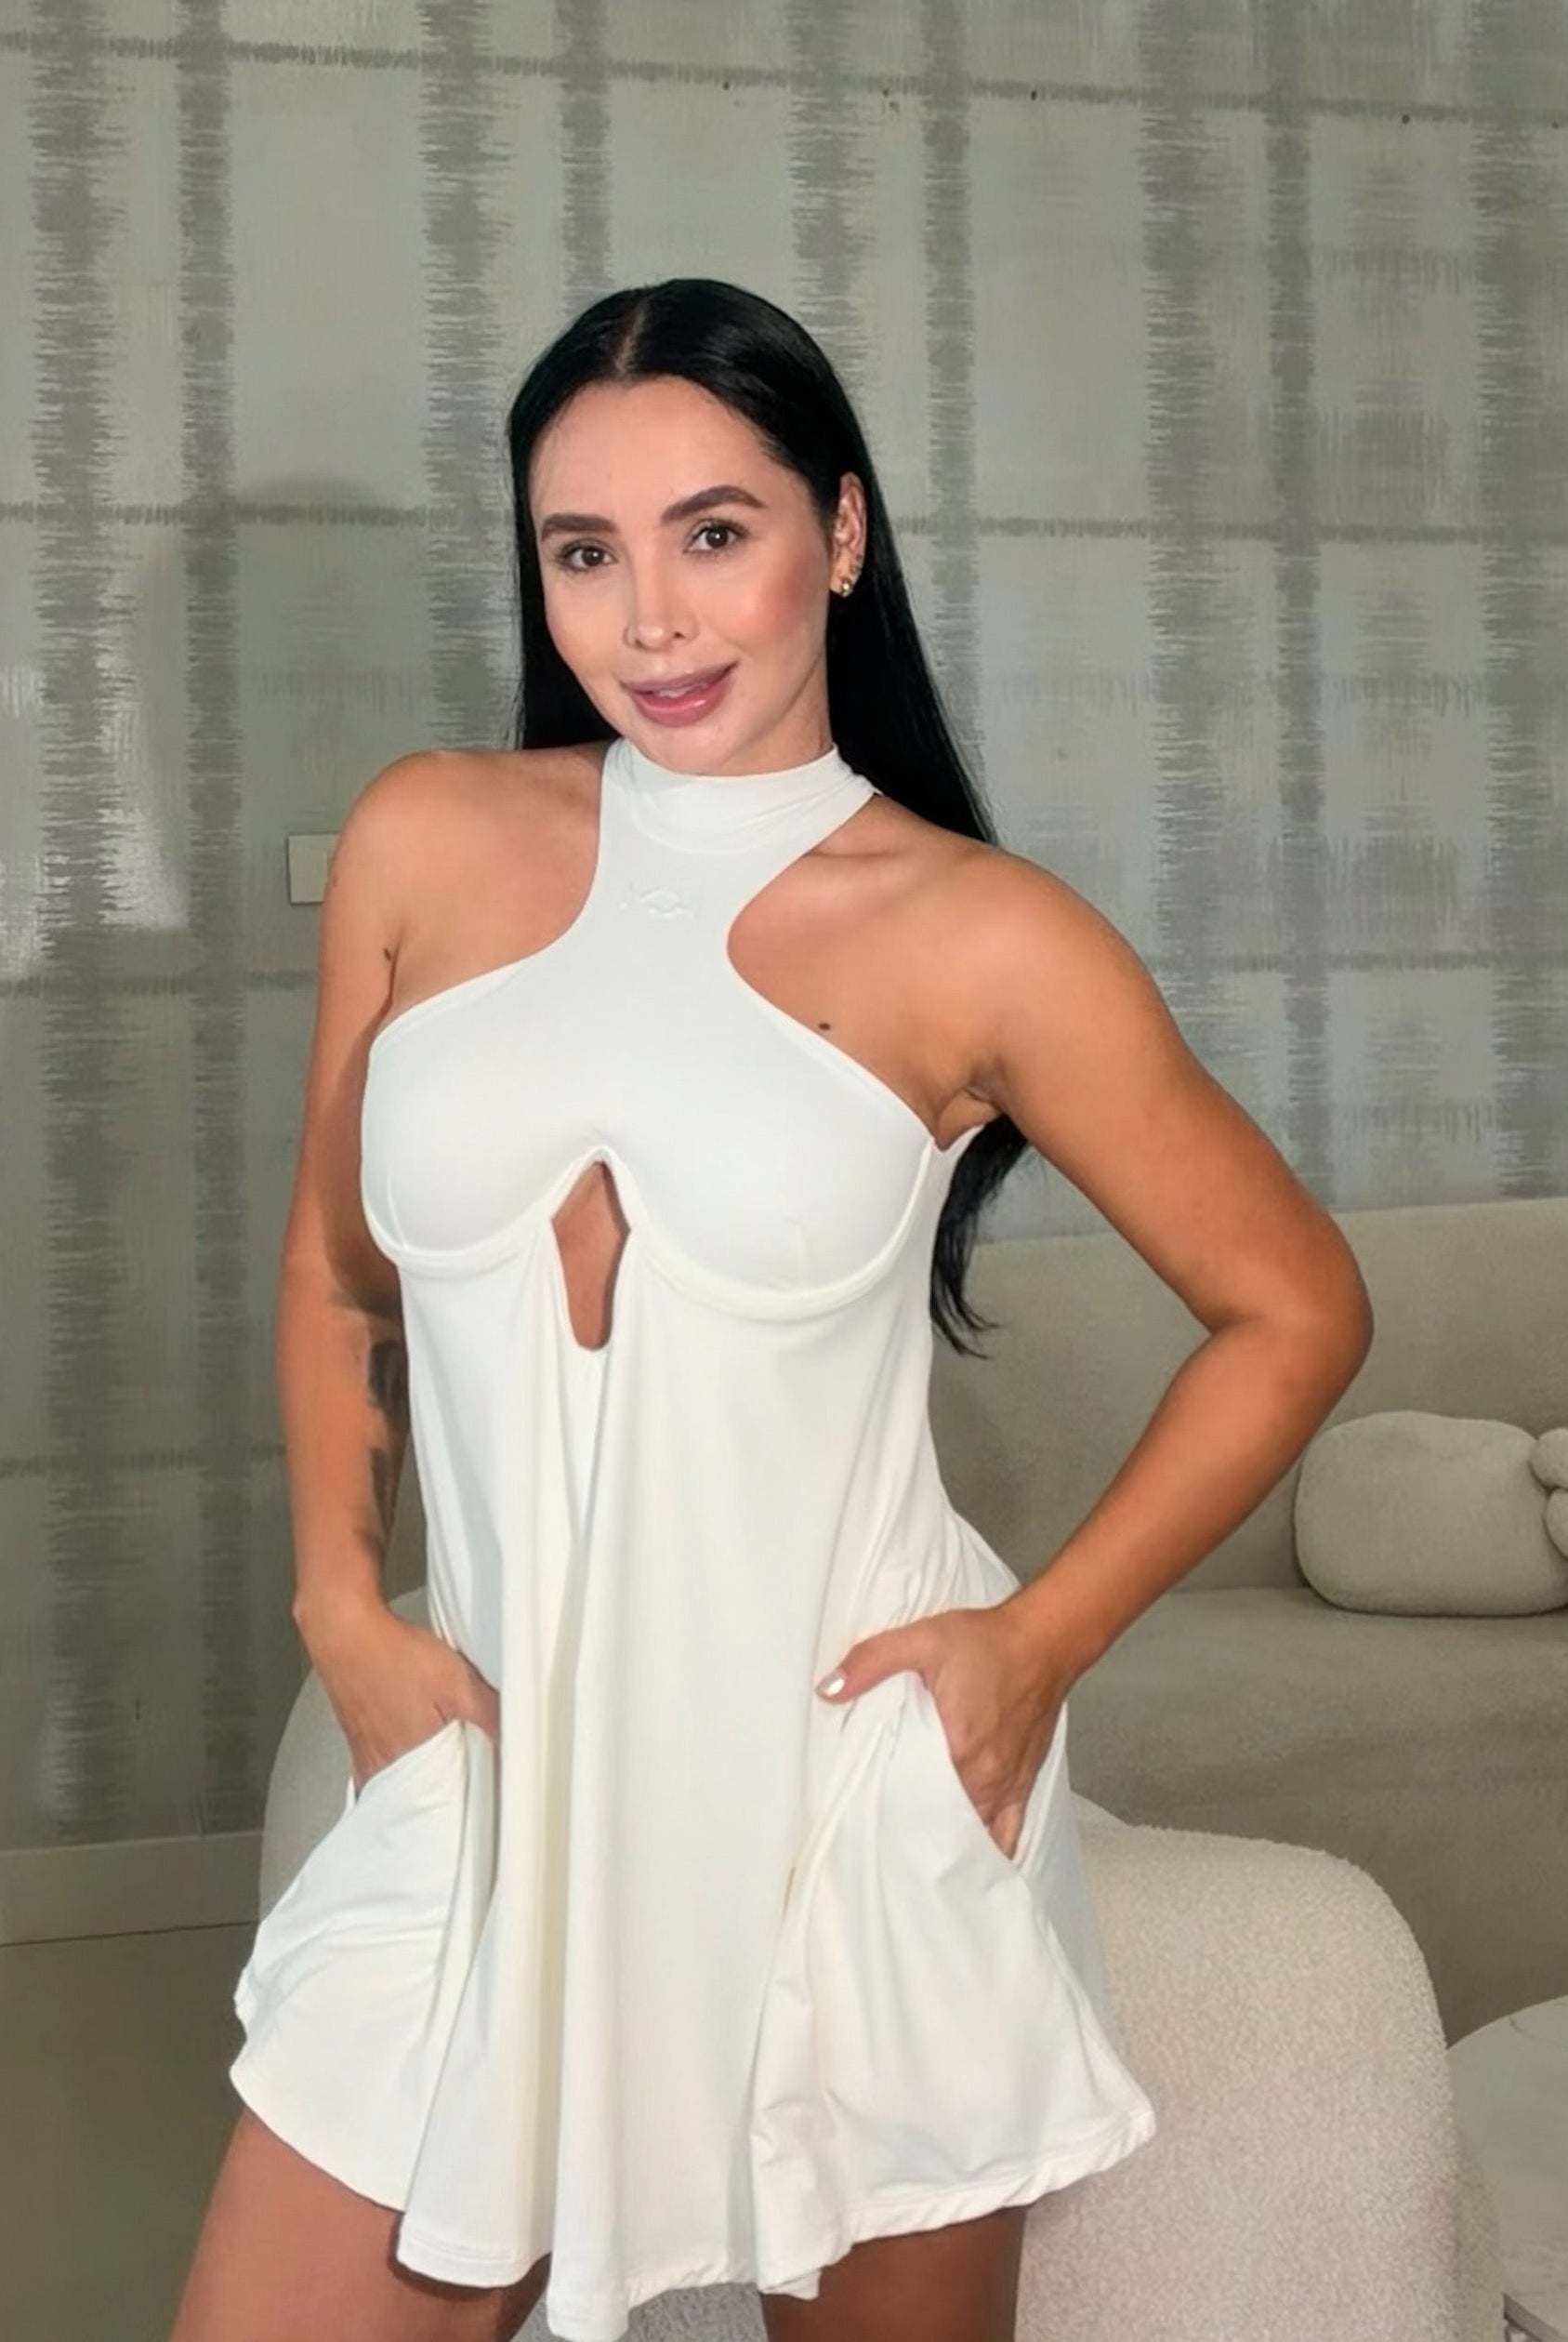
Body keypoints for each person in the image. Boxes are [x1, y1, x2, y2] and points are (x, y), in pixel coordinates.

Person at [170, 278, 1372, 2342]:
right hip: (487, 1781)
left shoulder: (981, 936)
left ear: (840, 531)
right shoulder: (425, 838)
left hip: (836, 1795)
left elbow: (1295, 1307)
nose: (651, 620)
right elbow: (331, 1267)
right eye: (585, 551)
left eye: (713, 532)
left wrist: (1035, 1647)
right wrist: (338, 1602)